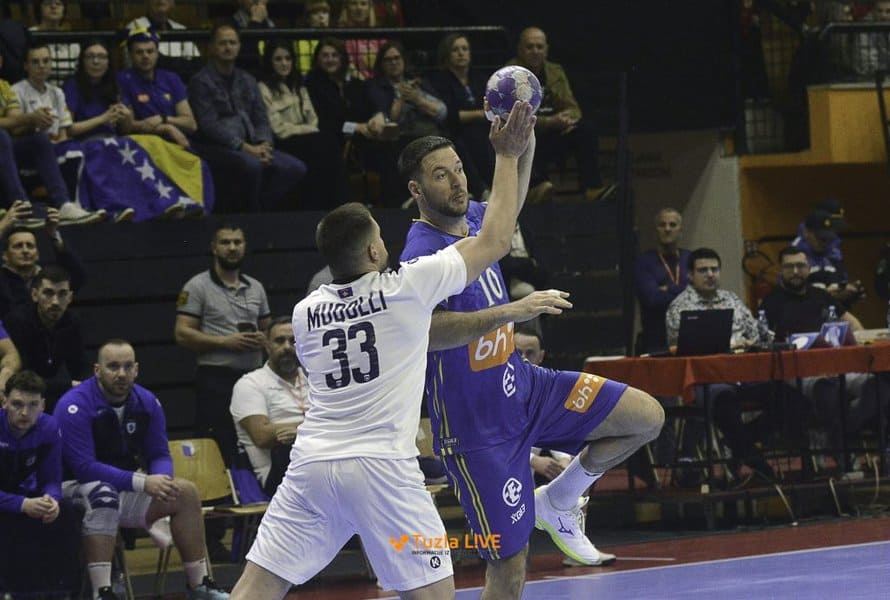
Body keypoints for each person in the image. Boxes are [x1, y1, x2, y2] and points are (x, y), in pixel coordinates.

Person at [229, 100, 537, 600]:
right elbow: (497, 238)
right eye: (379, 237)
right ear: (375, 251)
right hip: (383, 468)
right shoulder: (405, 288)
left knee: (254, 589)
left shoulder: (306, 312)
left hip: (312, 465)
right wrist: (507, 154)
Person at [400, 118, 664, 597]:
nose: (457, 181)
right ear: (416, 190)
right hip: (477, 428)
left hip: (524, 388)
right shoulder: (420, 254)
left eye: (459, 168)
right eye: (441, 175)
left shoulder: (476, 218)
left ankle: (559, 500)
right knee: (510, 567)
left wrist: (528, 131)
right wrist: (511, 312)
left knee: (645, 417)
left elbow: (513, 202)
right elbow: (430, 333)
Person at [54, 339, 229, 600]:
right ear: (97, 370)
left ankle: (200, 586)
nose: (121, 374)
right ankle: (102, 592)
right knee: (103, 494)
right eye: (113, 366)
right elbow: (84, 468)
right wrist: (142, 483)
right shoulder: (74, 405)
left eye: (127, 367)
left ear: (136, 370)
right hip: (71, 490)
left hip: (124, 486)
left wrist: (162, 481)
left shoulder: (147, 402)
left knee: (185, 492)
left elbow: (159, 453)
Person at [760, 246, 884, 469]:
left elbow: (853, 323)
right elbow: (765, 341)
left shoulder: (822, 296)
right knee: (827, 391)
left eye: (800, 266)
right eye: (789, 266)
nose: (796, 271)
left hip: (838, 364)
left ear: (808, 268)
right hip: (800, 370)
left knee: (880, 384)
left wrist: (859, 343)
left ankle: (844, 431)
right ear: (781, 270)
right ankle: (843, 456)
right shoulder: (771, 302)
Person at [666, 247, 776, 481]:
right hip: (706, 381)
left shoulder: (732, 300)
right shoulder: (679, 307)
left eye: (714, 269)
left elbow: (759, 336)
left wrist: (751, 342)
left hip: (744, 375)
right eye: (703, 270)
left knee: (787, 396)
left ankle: (738, 442)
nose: (710, 274)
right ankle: (756, 461)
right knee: (724, 400)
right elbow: (677, 351)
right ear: (690, 275)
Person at [174, 223, 270, 467]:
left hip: (253, 377)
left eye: (237, 242)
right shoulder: (196, 286)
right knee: (216, 443)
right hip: (216, 379)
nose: (232, 248)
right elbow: (182, 333)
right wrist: (225, 342)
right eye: (225, 242)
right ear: (214, 248)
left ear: (245, 246)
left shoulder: (256, 287)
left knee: (253, 440)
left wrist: (263, 339)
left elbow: (268, 329)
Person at [188, 23, 305, 212]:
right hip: (217, 146)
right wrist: (244, 148)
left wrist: (264, 145)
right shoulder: (200, 82)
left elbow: (261, 118)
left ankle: (262, 209)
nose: (228, 47)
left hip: (253, 144)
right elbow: (209, 125)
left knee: (295, 168)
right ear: (211, 47)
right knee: (252, 166)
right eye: (222, 43)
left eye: (232, 42)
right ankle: (251, 216)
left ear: (239, 46)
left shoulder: (248, 79)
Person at [1, 48, 104, 226]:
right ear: (26, 66)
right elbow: (16, 124)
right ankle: (22, 208)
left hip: (14, 149)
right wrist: (30, 118)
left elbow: (15, 119)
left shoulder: (4, 87)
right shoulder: (18, 88)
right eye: (35, 62)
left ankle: (64, 204)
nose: (41, 66)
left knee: (41, 139)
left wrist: (32, 121)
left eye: (46, 61)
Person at [0, 370, 81, 596]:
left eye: (33, 405)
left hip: (23, 496)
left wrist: (51, 500)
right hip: (10, 501)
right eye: (17, 404)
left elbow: (52, 479)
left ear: (43, 406)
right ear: (4, 402)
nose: (25, 412)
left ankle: (61, 592)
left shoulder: (49, 427)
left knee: (66, 512)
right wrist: (22, 504)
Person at [511, 26, 613, 203]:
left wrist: (567, 120)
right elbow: (513, 117)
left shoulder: (555, 71)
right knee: (524, 137)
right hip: (527, 136)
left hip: (554, 133)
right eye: (530, 47)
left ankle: (591, 188)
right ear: (520, 50)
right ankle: (536, 187)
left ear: (546, 50)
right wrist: (550, 122)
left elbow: (572, 107)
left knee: (585, 130)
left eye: (539, 47)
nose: (535, 51)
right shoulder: (509, 74)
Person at [258, 39, 346, 209]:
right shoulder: (263, 88)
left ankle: (333, 205)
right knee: (324, 144)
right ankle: (335, 204)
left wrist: (307, 129)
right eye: (278, 59)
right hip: (282, 141)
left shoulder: (299, 85)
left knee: (327, 143)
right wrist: (305, 129)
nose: (284, 63)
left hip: (305, 138)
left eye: (288, 59)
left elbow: (313, 119)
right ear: (270, 62)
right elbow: (278, 128)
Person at [230, 316, 308, 496]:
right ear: (267, 346)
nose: (287, 347)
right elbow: (263, 435)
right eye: (279, 341)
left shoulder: (316, 378)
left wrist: (299, 432)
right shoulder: (250, 383)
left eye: (293, 341)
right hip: (279, 477)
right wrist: (319, 427)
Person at [4, 264, 88, 412]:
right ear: (34, 295)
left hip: (49, 392)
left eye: (62, 294)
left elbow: (79, 368)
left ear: (70, 297)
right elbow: (21, 379)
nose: (55, 301)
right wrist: (68, 385)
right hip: (18, 395)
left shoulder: (73, 323)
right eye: (48, 293)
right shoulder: (18, 322)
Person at [427, 32, 494, 201]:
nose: (461, 53)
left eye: (465, 49)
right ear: (447, 55)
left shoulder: (479, 78)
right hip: (454, 130)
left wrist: (477, 115)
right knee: (465, 140)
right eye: (455, 50)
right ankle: (480, 190)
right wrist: (479, 114)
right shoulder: (439, 81)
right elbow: (449, 115)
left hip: (481, 127)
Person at [0, 220, 86, 317]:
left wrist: (54, 236)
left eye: (30, 246)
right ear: (5, 255)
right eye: (18, 246)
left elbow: (77, 277)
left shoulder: (46, 277)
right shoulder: (2, 279)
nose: (25, 250)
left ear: (37, 254)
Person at [634, 208, 691, 354]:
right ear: (656, 230)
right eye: (662, 225)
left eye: (672, 225)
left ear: (681, 230)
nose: (667, 229)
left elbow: (699, 293)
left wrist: (667, 289)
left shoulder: (689, 258)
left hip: (689, 337)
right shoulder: (644, 262)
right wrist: (684, 290)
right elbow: (652, 299)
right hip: (656, 339)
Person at [791, 200, 865, 308]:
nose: (825, 242)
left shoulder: (832, 251)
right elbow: (792, 297)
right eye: (821, 238)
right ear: (807, 232)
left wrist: (849, 294)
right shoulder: (795, 255)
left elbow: (839, 282)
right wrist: (828, 295)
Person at [125, 0, 202, 73]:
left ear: (172, 2)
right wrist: (181, 63)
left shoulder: (180, 28)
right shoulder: (136, 26)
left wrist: (168, 63)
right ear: (147, 2)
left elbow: (196, 62)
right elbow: (153, 64)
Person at [28, 0, 79, 86]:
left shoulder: (72, 40)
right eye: (48, 3)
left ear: (64, 9)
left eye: (58, 3)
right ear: (39, 8)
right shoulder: (29, 35)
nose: (53, 6)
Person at [337, 0, 386, 80]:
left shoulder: (379, 35)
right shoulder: (340, 36)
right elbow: (345, 65)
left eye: (363, 4)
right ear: (347, 8)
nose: (359, 8)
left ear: (369, 8)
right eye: (354, 3)